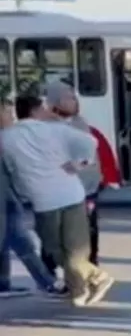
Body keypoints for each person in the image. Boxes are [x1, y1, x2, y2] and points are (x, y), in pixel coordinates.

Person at [2, 94, 114, 306]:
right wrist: (81, 163)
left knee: (55, 249)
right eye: (43, 108)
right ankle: (82, 286)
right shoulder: (54, 129)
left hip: (43, 201)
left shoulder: (7, 138)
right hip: (71, 194)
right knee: (74, 251)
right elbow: (91, 141)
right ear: (35, 111)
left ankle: (88, 284)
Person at [43, 81, 121, 271]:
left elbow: (94, 154)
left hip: (87, 188)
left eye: (75, 97)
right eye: (70, 98)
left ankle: (91, 266)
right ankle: (50, 270)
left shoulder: (81, 124)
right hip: (58, 190)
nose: (75, 101)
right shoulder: (45, 127)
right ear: (57, 101)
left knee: (90, 229)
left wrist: (103, 177)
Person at [0, 100, 64, 296]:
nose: (12, 117)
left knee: (6, 241)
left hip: (9, 196)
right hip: (6, 198)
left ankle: (3, 284)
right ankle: (48, 282)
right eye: (7, 113)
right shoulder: (5, 139)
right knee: (22, 242)